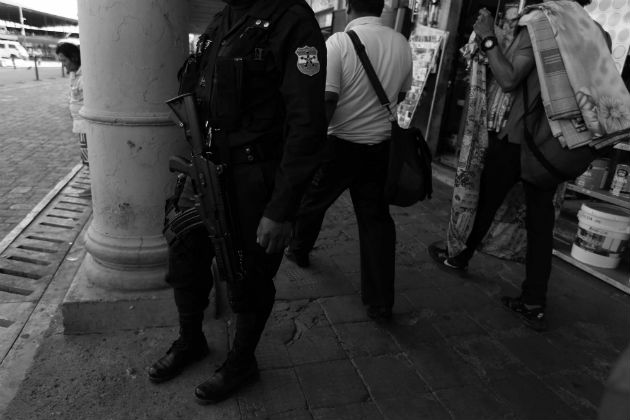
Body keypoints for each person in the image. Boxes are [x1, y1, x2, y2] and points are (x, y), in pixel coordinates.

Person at [148, 0, 327, 404]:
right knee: (184, 254)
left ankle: (242, 361)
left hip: (254, 179)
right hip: (207, 170)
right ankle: (191, 340)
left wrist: (281, 209)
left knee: (247, 274)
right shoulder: (223, 19)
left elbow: (308, 124)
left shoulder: (292, 21)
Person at [429, 0, 612, 331]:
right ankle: (533, 300)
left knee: (486, 201)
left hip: (519, 137)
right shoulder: (598, 34)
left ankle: (458, 256)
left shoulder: (541, 25)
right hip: (558, 145)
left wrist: (487, 38)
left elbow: (510, 78)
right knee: (542, 225)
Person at [284, 0, 412, 321]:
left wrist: (310, 145)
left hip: (340, 144)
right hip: (380, 146)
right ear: (380, 6)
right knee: (376, 221)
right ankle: (380, 301)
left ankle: (299, 249)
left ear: (348, 6)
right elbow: (403, 96)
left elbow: (328, 98)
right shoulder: (401, 43)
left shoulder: (339, 42)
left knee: (313, 201)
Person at [56, 42, 91, 198]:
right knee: (86, 157)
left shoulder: (85, 77)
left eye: (64, 61)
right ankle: (94, 185)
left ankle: (95, 187)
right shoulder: (73, 74)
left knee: (90, 158)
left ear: (74, 57)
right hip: (79, 125)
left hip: (86, 126)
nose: (64, 65)